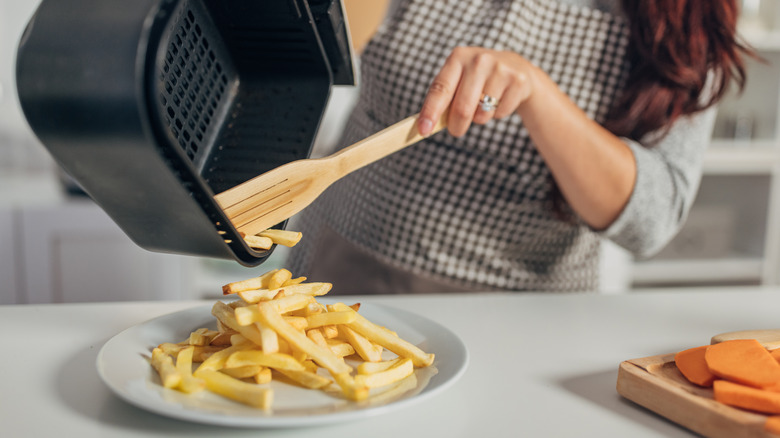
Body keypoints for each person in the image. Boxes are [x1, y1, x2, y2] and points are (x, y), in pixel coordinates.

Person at [287, 0, 753, 293]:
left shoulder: (692, 21)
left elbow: (651, 222)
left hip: (521, 310)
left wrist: (536, 94)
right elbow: (320, 35)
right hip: (345, 269)